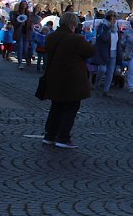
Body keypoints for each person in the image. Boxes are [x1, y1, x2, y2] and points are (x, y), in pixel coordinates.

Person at [41, 11, 96, 149]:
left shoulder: (51, 37)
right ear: (73, 24)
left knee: (56, 106)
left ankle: (50, 135)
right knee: (70, 108)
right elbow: (90, 52)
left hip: (54, 77)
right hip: (72, 79)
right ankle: (63, 137)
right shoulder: (76, 39)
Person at [90, 11, 124, 97]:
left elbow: (118, 40)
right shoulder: (103, 25)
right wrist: (108, 28)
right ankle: (97, 85)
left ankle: (106, 90)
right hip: (104, 52)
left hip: (114, 52)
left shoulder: (116, 28)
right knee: (102, 69)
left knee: (110, 72)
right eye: (113, 17)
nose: (114, 19)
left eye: (115, 17)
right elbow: (103, 37)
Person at [9, 0, 32, 70]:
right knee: (20, 48)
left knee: (25, 49)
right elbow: (13, 22)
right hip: (19, 33)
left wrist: (31, 25)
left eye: (25, 4)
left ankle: (28, 60)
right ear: (20, 5)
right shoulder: (16, 13)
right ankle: (20, 63)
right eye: (23, 4)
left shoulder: (28, 13)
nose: (24, 6)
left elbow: (31, 22)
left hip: (27, 33)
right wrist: (20, 23)